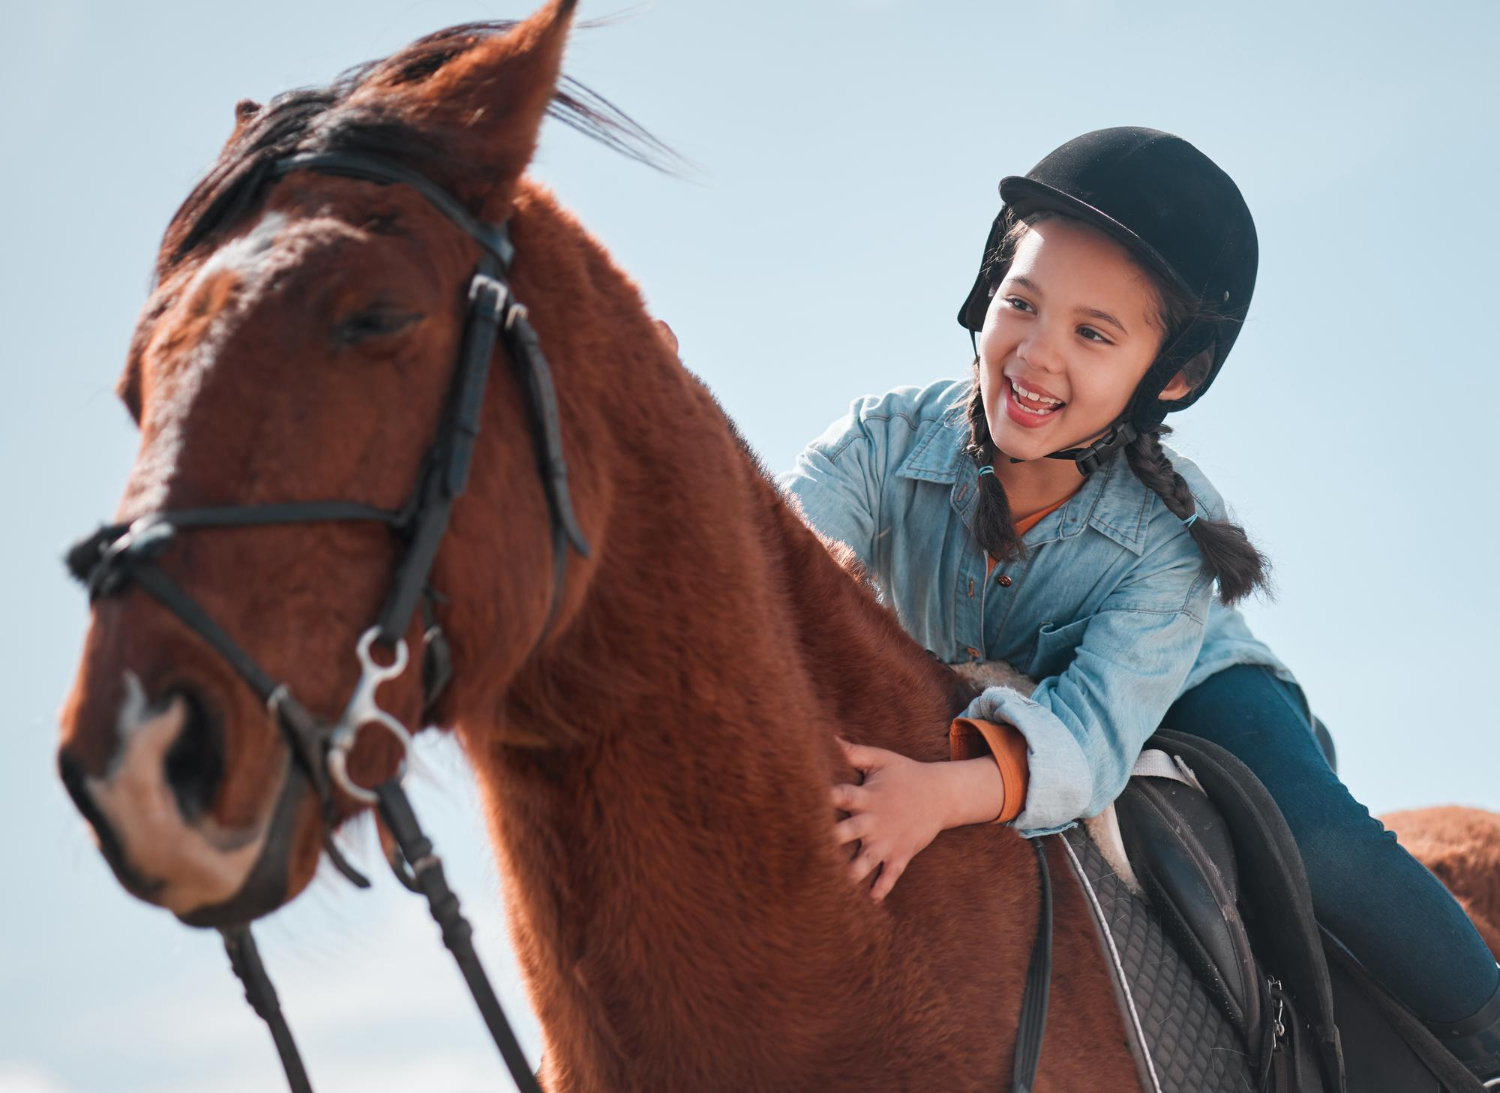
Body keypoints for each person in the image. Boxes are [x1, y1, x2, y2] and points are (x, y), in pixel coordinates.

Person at [775, 127, 1500, 1083]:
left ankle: (1485, 1025)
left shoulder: (1167, 545)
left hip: (1177, 688)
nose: (1034, 355)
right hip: (979, 691)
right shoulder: (881, 438)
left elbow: (1089, 740)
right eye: (1020, 302)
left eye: (1092, 333)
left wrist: (940, 794)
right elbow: (778, 558)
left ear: (1172, 377)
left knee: (1322, 844)